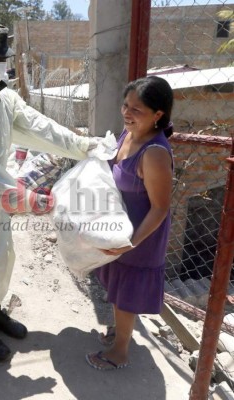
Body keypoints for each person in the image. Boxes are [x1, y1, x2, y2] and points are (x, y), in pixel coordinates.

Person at [0, 18, 101, 362]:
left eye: (2, 59)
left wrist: (83, 145)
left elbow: (40, 128)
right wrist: (27, 199)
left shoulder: (4, 100)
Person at [86, 75, 174, 371]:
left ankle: (120, 351)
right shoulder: (129, 135)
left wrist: (130, 243)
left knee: (127, 296)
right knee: (118, 287)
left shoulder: (155, 154)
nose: (127, 113)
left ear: (158, 114)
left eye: (136, 109)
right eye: (125, 105)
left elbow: (160, 208)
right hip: (119, 231)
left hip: (140, 236)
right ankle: (119, 334)